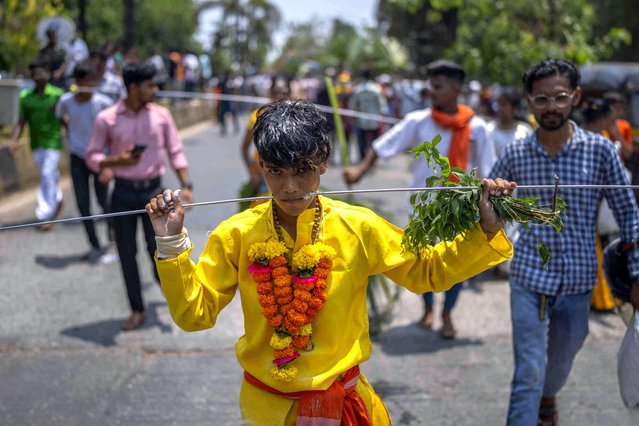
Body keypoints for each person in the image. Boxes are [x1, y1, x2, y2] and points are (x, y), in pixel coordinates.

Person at [145, 99, 515, 424]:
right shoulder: (236, 234)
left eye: (302, 171)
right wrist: (170, 241)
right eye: (276, 172)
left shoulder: (358, 226)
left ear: (323, 163)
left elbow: (428, 271)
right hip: (270, 411)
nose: (289, 187)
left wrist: (484, 227)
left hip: (345, 406)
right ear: (260, 166)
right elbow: (195, 314)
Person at [489, 59, 639, 426]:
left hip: (577, 282)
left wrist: (636, 275)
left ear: (575, 96)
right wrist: (484, 195)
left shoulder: (600, 151)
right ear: (529, 102)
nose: (551, 106)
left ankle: (548, 397)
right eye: (541, 98)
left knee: (559, 362)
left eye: (559, 97)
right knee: (527, 372)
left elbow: (629, 214)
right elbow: (490, 218)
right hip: (528, 278)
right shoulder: (515, 154)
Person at [343, 59, 496, 339]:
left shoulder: (478, 128)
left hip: (462, 209)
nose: (432, 92)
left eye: (438, 87)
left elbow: (488, 169)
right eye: (431, 86)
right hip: (424, 209)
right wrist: (360, 170)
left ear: (456, 89)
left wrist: (494, 199)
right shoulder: (418, 121)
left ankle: (447, 313)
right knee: (421, 259)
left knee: (457, 262)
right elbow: (384, 145)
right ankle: (427, 308)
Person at [86, 62, 193, 331]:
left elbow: (175, 149)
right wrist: (115, 161)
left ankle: (173, 299)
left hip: (154, 192)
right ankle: (136, 309)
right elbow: (92, 156)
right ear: (133, 88)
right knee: (126, 252)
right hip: (122, 192)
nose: (155, 90)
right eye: (150, 85)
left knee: (157, 249)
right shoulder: (107, 118)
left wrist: (185, 183)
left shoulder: (161, 115)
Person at [55, 60, 114, 262]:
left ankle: (112, 232)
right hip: (77, 157)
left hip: (99, 158)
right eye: (83, 81)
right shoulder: (66, 101)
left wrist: (109, 165)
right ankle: (94, 244)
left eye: (91, 81)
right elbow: (60, 117)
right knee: (83, 203)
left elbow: (112, 133)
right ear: (77, 81)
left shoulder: (103, 103)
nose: (87, 85)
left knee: (103, 200)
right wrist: (71, 132)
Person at [9, 61, 65, 231]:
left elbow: (64, 119)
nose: (38, 76)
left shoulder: (57, 94)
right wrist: (14, 140)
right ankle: (58, 198)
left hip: (53, 142)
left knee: (47, 174)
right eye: (34, 74)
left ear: (47, 73)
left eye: (41, 72)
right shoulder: (25, 96)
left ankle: (44, 216)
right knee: (48, 175)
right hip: (36, 143)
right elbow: (21, 121)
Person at [349, 69, 386, 162]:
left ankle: (362, 159)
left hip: (361, 119)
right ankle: (372, 161)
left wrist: (355, 116)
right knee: (374, 142)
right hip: (374, 119)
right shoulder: (376, 88)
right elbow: (382, 105)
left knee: (362, 141)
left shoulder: (358, 89)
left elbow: (353, 105)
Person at [488, 87, 533, 158]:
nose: (500, 108)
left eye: (504, 105)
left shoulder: (525, 131)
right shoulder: (489, 130)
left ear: (515, 107)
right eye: (499, 104)